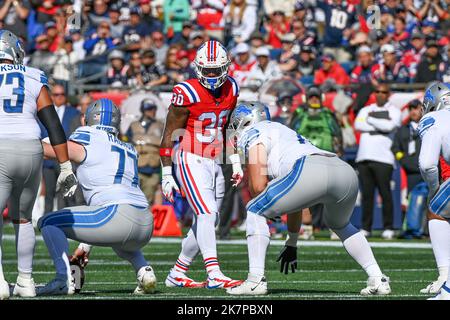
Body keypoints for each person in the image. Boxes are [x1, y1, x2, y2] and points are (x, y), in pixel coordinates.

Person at [225, 102, 391, 296]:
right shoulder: (283, 130)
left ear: (245, 121)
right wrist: (292, 241)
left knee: (254, 208)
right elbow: (296, 199)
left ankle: (255, 281)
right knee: (340, 224)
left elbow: (257, 186)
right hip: (342, 169)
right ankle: (378, 278)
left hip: (309, 169)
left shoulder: (252, 132)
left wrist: (262, 199)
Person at [37, 98, 156, 296]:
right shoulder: (128, 148)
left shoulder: (88, 135)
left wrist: (25, 144)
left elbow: (58, 151)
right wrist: (85, 245)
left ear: (87, 120)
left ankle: (62, 279)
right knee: (120, 242)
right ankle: (144, 270)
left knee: (48, 221)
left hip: (116, 215)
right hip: (144, 222)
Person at [0, 31, 77, 300]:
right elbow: (53, 123)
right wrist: (65, 166)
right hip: (31, 149)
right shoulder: (33, 75)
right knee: (23, 219)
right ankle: (25, 280)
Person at [160, 40, 242, 288]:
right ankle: (214, 273)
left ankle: (177, 272)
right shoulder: (187, 92)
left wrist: (235, 161)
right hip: (190, 156)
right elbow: (168, 133)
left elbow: (228, 128)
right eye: (206, 70)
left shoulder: (232, 88)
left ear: (226, 67)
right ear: (197, 68)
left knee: (208, 220)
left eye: (216, 70)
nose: (211, 75)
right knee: (206, 213)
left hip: (215, 159)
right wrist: (166, 173)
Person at [354, 84, 402, 239]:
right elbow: (357, 124)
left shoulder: (394, 111)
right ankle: (366, 227)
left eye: (383, 92)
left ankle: (388, 227)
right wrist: (377, 122)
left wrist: (370, 120)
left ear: (389, 94)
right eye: (377, 91)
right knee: (367, 195)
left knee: (385, 193)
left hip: (384, 158)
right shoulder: (366, 109)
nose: (380, 94)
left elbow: (389, 126)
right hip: (364, 157)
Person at [417, 81, 450, 300]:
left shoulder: (433, 118)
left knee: (436, 209)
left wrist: (433, 188)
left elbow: (427, 163)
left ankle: (446, 281)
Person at [39, 84, 80, 213]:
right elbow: (41, 130)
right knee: (49, 194)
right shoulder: (43, 111)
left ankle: (68, 221)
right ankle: (46, 222)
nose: (59, 97)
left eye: (62, 94)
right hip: (48, 160)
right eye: (56, 94)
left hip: (65, 158)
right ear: (51, 96)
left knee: (67, 194)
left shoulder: (74, 112)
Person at [391, 99, 426, 239]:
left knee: (429, 202)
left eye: (416, 108)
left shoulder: (428, 127)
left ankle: (426, 230)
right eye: (411, 109)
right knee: (411, 201)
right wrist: (404, 159)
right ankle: (411, 229)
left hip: (427, 170)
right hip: (410, 172)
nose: (413, 111)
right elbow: (395, 147)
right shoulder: (403, 130)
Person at [125, 99, 164, 205]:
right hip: (136, 170)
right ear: (143, 110)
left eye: (153, 109)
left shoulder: (160, 126)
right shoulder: (133, 126)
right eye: (148, 109)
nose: (151, 111)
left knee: (147, 203)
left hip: (153, 170)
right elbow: (126, 146)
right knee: (133, 201)